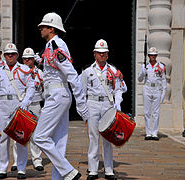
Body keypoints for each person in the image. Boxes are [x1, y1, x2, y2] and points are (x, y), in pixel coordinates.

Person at [33, 12, 89, 180]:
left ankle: (68, 172)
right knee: (58, 143)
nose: (40, 29)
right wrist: (40, 62)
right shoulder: (52, 45)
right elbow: (54, 70)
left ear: (51, 28)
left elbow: (72, 74)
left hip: (57, 96)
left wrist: (82, 105)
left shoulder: (56, 45)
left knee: (40, 137)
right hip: (57, 95)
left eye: (43, 26)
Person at [0, 42, 35, 179]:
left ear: (17, 55)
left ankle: (21, 169)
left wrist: (26, 102)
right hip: (2, 105)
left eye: (12, 54)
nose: (10, 56)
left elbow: (31, 86)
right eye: (7, 54)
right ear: (4, 55)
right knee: (3, 138)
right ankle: (2, 169)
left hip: (18, 105)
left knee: (20, 138)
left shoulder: (24, 69)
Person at [80, 39, 123, 180]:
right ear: (94, 54)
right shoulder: (88, 71)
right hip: (92, 104)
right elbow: (81, 90)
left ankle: (109, 170)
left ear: (108, 54)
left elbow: (119, 89)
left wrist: (118, 103)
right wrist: (82, 108)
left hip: (108, 105)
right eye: (99, 53)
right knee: (93, 137)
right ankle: (93, 170)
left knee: (108, 138)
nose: (102, 55)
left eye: (104, 53)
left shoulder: (114, 70)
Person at [11, 47, 45, 172]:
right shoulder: (18, 72)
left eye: (29, 59)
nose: (27, 61)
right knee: (18, 133)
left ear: (33, 60)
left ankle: (37, 160)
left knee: (36, 134)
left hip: (35, 104)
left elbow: (44, 89)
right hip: (21, 105)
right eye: (25, 59)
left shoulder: (39, 73)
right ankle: (16, 161)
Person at [138, 47, 167, 141]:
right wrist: (143, 73)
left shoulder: (161, 66)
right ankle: (148, 132)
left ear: (156, 56)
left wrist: (163, 93)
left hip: (157, 89)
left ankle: (154, 133)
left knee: (156, 112)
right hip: (147, 88)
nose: (153, 57)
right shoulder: (144, 66)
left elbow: (163, 80)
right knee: (147, 112)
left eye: (154, 55)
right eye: (151, 55)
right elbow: (139, 79)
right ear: (149, 56)